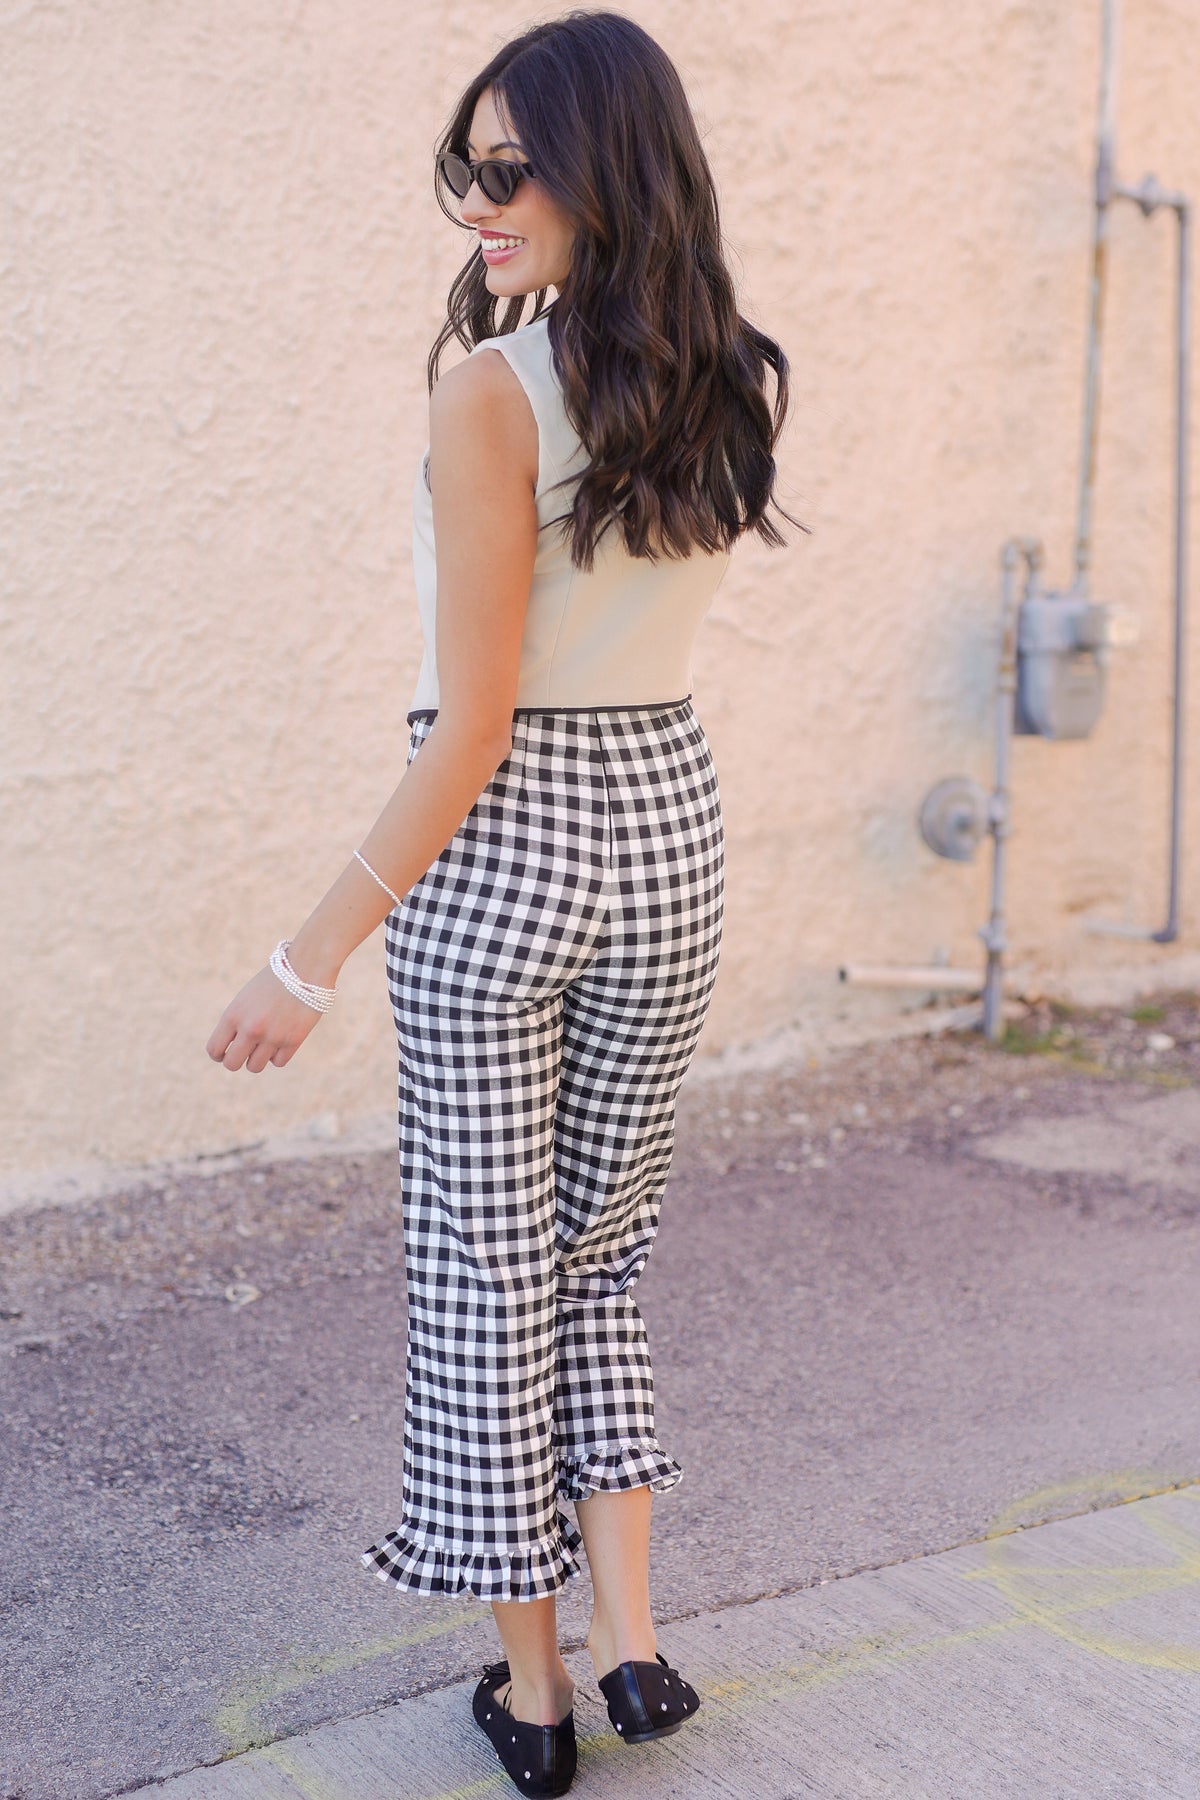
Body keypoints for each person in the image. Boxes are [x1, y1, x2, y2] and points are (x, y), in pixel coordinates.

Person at [207, 11, 797, 1794]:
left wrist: (306, 955)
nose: (478, 199)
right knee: (597, 1254)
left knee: (488, 1278)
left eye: (512, 165)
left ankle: (534, 1703)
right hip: (672, 825)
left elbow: (470, 731)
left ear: (604, 169)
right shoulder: (731, 375)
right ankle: (634, 1653)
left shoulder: (493, 393)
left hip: (514, 837)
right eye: (466, 166)